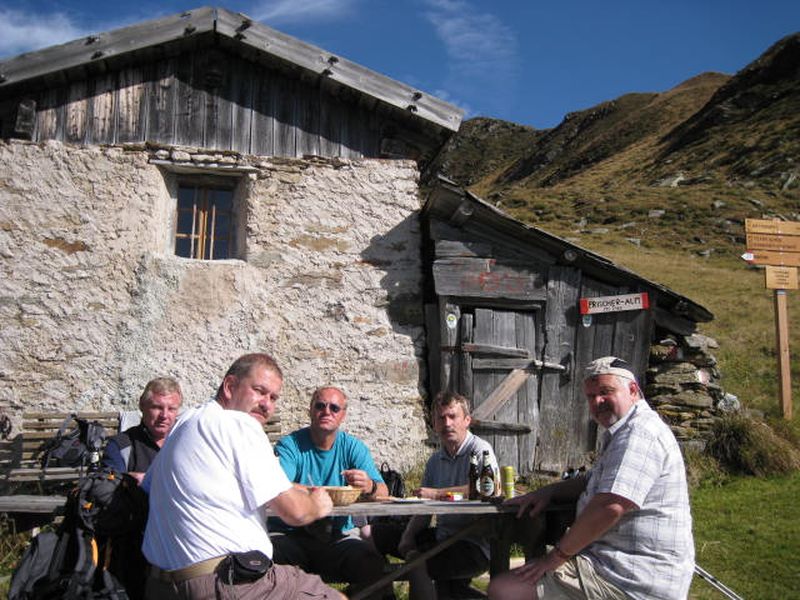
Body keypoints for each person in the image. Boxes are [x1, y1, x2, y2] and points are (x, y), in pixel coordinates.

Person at [487, 356, 695, 600]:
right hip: (614, 564)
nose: (597, 401)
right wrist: (548, 492)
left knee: (506, 589)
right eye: (591, 396)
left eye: (606, 392)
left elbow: (610, 507)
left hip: (633, 579)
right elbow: (591, 480)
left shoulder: (640, 433)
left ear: (632, 390)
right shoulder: (622, 432)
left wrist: (555, 558)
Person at [142, 353, 345, 600]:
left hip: (160, 585)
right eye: (259, 391)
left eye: (273, 398)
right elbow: (296, 513)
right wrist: (318, 503)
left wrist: (294, 488)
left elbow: (147, 483)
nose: (266, 404)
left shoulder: (186, 421)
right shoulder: (239, 423)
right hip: (226, 582)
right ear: (230, 386)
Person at [370, 391, 499, 600]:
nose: (447, 423)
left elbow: (487, 489)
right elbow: (425, 508)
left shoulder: (480, 450)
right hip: (442, 536)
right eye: (441, 418)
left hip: (472, 544)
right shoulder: (435, 461)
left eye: (452, 416)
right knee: (372, 534)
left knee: (418, 564)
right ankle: (381, 595)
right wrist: (408, 536)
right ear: (434, 424)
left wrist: (438, 494)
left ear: (467, 420)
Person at [271, 386, 390, 599]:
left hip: (337, 537)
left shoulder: (352, 447)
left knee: (371, 562)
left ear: (343, 415)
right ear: (310, 410)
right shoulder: (290, 445)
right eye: (320, 406)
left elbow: (383, 491)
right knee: (272, 557)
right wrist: (320, 492)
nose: (327, 411)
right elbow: (277, 483)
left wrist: (369, 485)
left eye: (334, 408)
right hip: (291, 535)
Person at [102, 376, 182, 484]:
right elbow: (109, 482)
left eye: (171, 409)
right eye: (157, 407)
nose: (164, 415)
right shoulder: (121, 445)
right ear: (142, 405)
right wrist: (129, 479)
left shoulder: (187, 442)